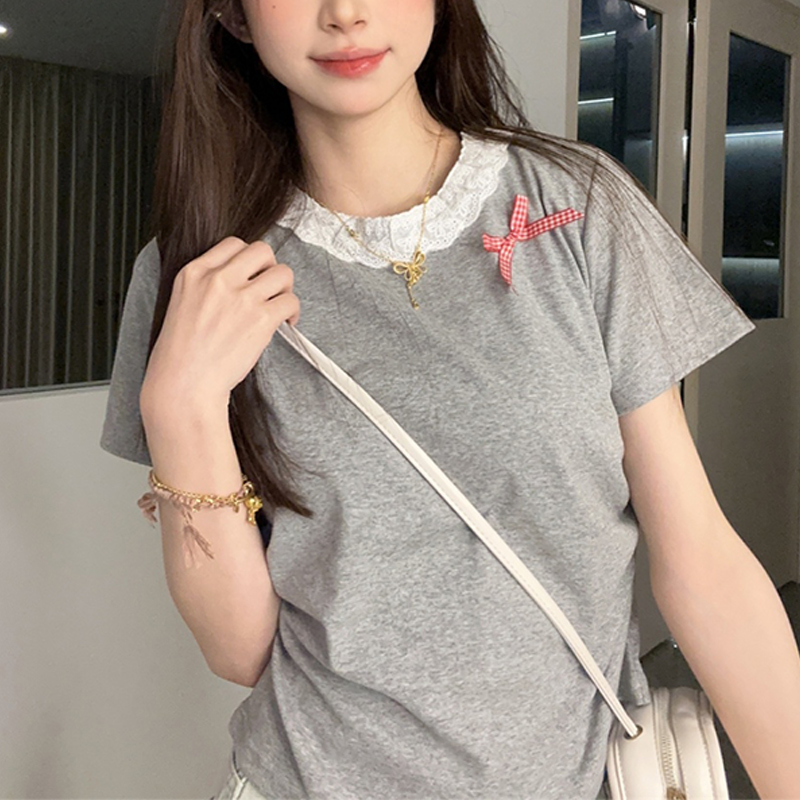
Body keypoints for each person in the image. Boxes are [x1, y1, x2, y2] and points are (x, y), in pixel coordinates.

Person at [99, 0, 763, 798]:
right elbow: (239, 652)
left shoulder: (577, 204)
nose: (346, 14)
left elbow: (702, 563)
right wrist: (180, 407)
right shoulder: (197, 275)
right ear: (234, 16)